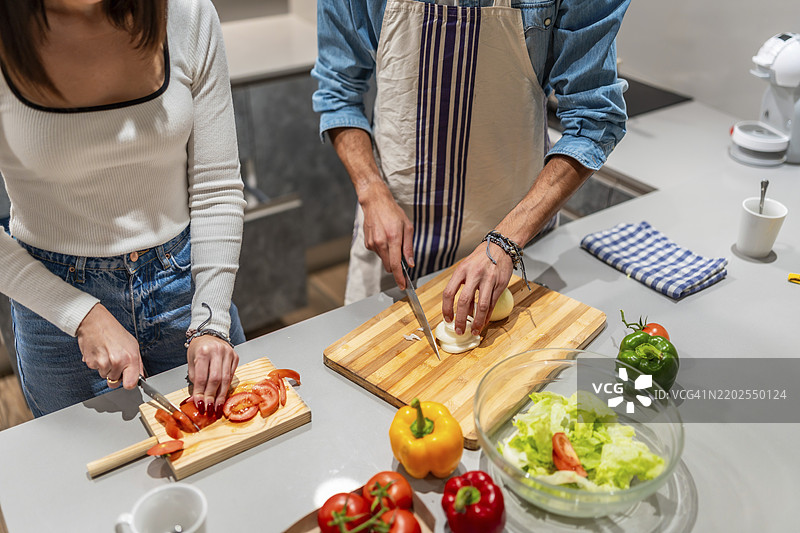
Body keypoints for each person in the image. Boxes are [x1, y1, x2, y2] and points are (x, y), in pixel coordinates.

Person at [313, 0, 630, 337]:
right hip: (397, 242)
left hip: (518, 242)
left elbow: (594, 120)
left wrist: (506, 242)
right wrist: (370, 189)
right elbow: (339, 92)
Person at [0, 0, 247, 417]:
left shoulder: (186, 13)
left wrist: (211, 321)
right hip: (53, 308)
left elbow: (216, 186)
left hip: (185, 287)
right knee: (88, 475)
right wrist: (79, 315)